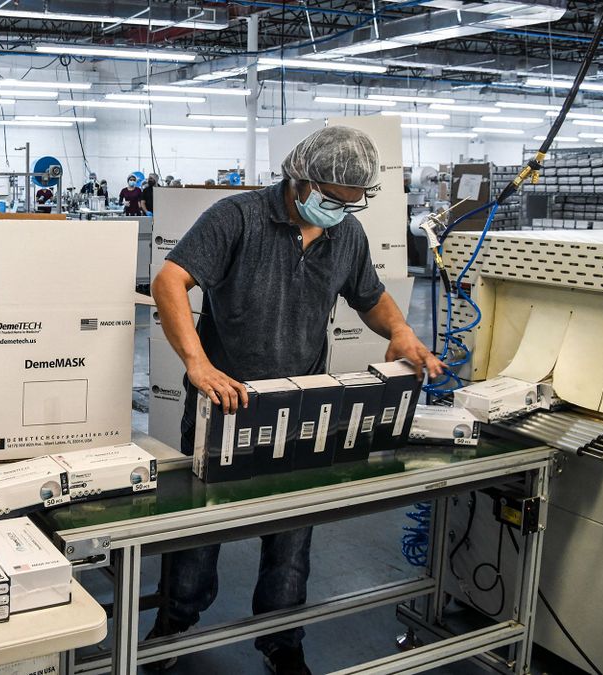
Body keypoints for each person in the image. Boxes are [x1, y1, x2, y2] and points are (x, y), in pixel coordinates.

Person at [149, 126, 443, 674]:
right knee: (199, 530)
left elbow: (370, 297)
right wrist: (197, 363)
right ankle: (174, 624)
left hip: (303, 406)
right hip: (227, 402)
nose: (343, 210)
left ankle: (282, 642)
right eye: (333, 199)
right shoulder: (236, 218)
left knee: (291, 536)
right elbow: (170, 281)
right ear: (301, 179)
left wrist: (399, 331)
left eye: (353, 202)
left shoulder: (346, 234)